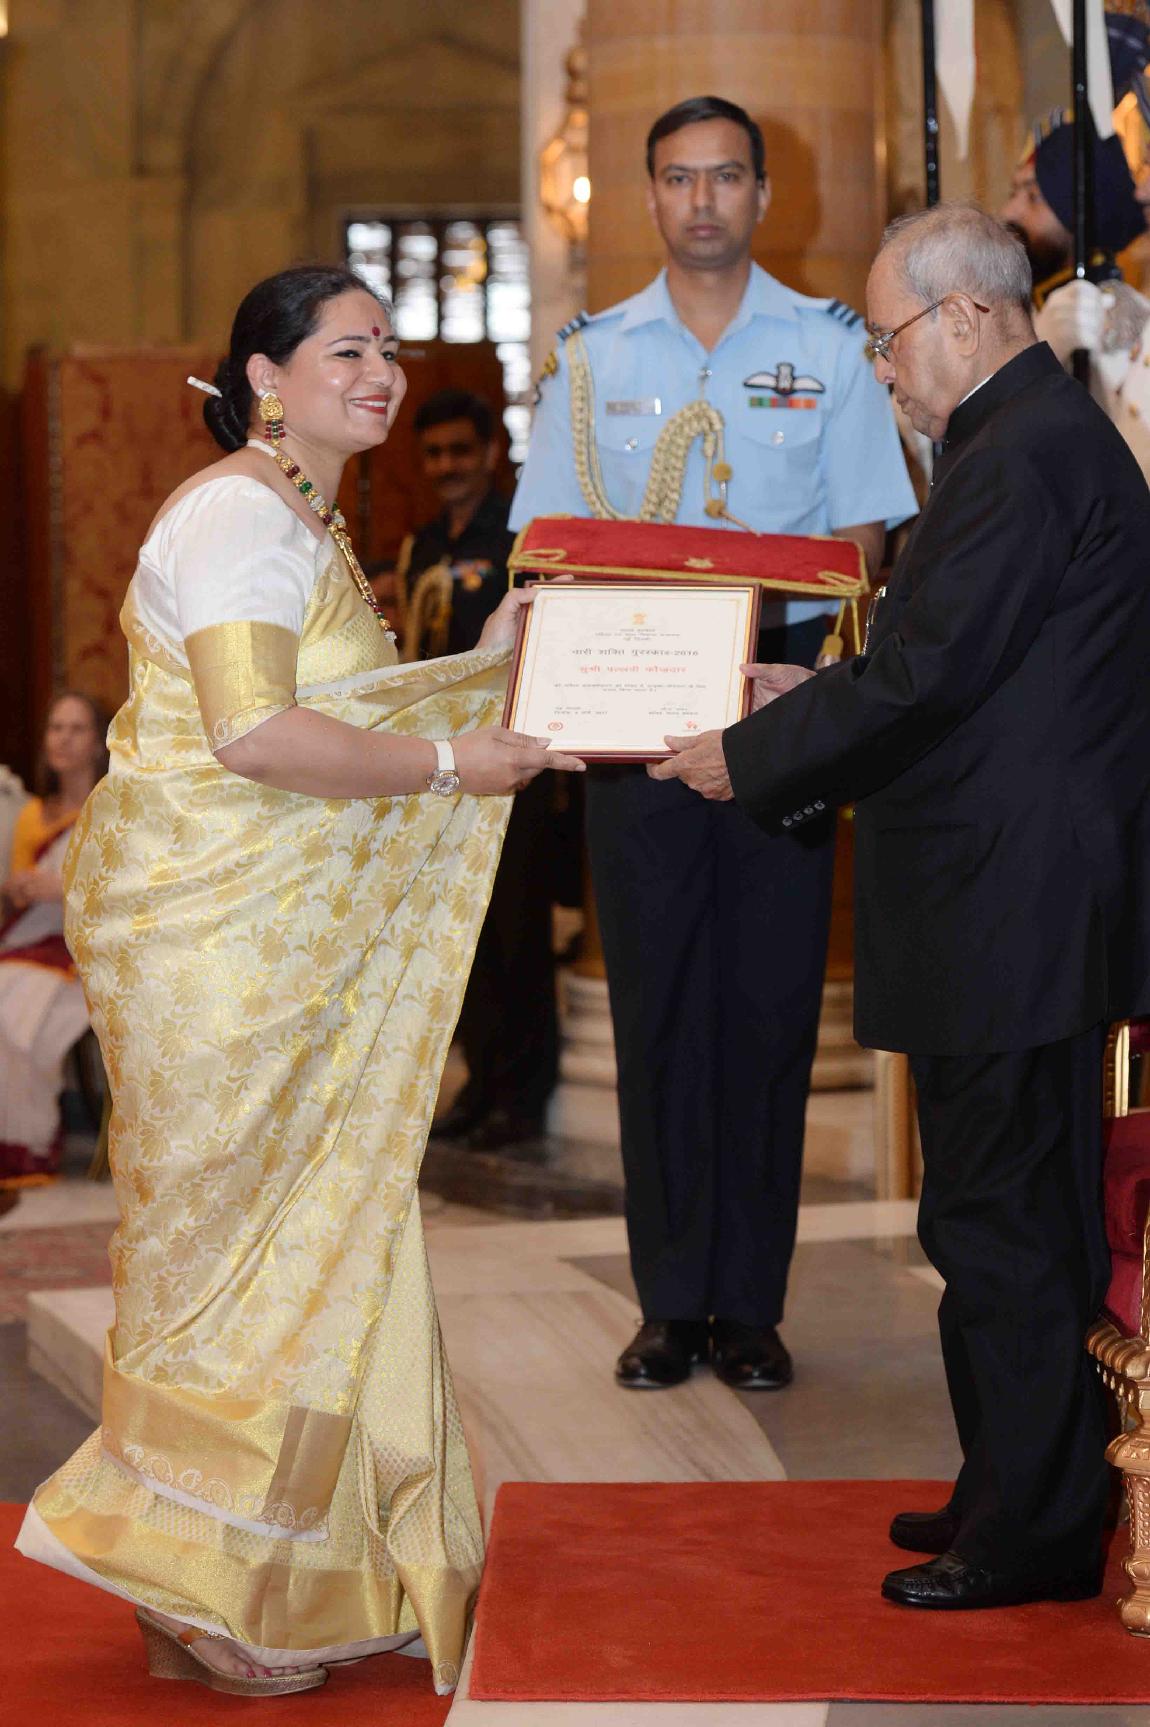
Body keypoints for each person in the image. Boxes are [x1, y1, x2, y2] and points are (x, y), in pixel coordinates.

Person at [15, 264, 583, 1697]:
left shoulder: (300, 517)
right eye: (348, 349)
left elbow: (330, 716)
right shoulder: (236, 517)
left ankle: (289, 1574)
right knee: (231, 1259)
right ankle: (192, 1578)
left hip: (267, 952)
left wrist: (485, 666)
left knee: (318, 1244)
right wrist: (454, 756)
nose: (381, 370)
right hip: (215, 956)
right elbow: (254, 737)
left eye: (387, 345)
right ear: (265, 377)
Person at [655, 203, 1150, 1609]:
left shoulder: (1021, 452)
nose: (880, 370)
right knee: (987, 1211)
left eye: (885, 341)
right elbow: (954, 665)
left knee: (1003, 1219)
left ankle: (1034, 1524)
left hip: (1012, 906)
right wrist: (809, 694)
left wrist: (749, 752)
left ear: (967, 315)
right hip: (1008, 897)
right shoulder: (1022, 440)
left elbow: (928, 678)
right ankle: (1006, 1480)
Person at [510, 94, 916, 1393]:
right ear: (647, 196)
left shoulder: (830, 348)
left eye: (725, 176)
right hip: (631, 712)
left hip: (773, 702)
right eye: (678, 178)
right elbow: (545, 548)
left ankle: (749, 1304)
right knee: (657, 1011)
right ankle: (668, 1301)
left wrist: (798, 675)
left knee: (768, 1007)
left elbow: (863, 539)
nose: (702, 200)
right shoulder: (591, 358)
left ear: (760, 195)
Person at [403, 389, 559, 1148]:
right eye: (434, 454)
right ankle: (481, 1081)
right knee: (459, 934)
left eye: (460, 451)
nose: (447, 467)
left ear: (491, 451)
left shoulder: (520, 537)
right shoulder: (421, 545)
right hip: (440, 765)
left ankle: (524, 1096)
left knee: (516, 931)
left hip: (511, 760)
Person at [0, 692, 108, 1188]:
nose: (63, 739)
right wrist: (19, 888)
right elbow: (19, 894)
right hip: (31, 942)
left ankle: (25, 1145)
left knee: (16, 1012)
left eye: (77, 728)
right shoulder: (32, 815)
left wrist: (64, 888)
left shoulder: (113, 810)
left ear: (99, 742)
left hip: (89, 951)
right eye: (55, 727)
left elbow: (127, 891)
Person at [1000, 114, 1149, 422]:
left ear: (1077, 221)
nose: (1009, 212)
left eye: (1033, 197)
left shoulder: (1116, 319)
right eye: (1013, 193)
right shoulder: (1012, 307)